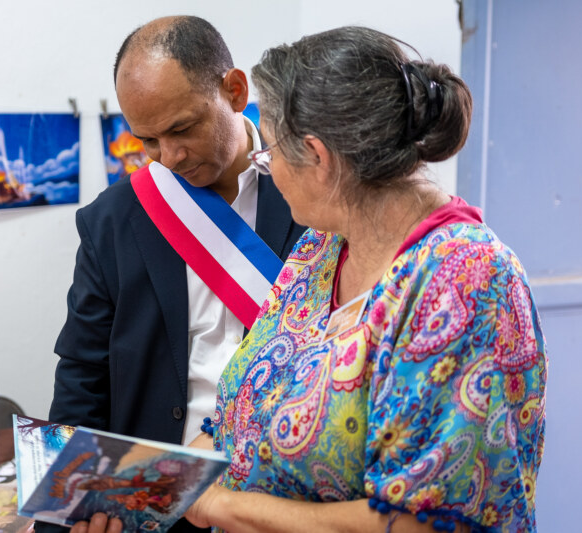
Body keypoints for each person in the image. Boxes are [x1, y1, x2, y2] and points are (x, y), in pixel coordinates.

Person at [182, 26, 547, 533]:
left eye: (268, 154)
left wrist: (220, 507)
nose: (266, 169)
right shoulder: (323, 245)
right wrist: (151, 482)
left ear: (318, 157)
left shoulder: (463, 280)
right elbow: (240, 414)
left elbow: (421, 524)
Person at [42, 15, 305, 533]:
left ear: (234, 90)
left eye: (182, 129)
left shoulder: (311, 194)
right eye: (148, 141)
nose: (170, 157)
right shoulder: (112, 221)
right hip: (155, 500)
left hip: (284, 493)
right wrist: (62, 511)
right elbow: (82, 373)